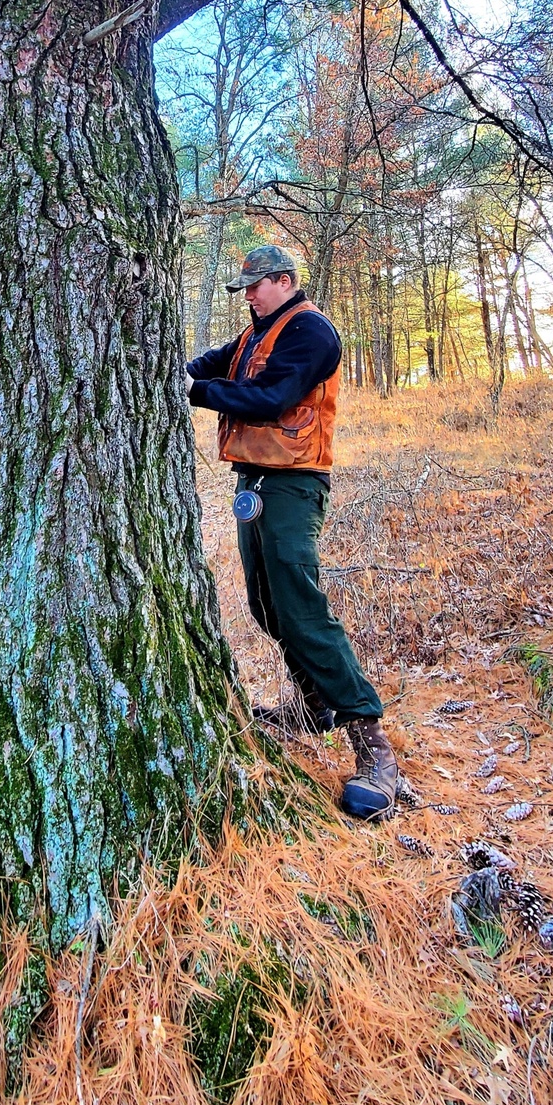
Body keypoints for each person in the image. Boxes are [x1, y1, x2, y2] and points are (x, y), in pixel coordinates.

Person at [184, 244, 399, 819]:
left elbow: (271, 398)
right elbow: (212, 364)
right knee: (265, 604)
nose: (248, 296)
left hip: (293, 484)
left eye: (256, 285)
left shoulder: (309, 332)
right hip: (254, 482)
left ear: (285, 280)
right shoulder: (258, 333)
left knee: (300, 606)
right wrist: (175, 369)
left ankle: (372, 746)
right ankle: (313, 706)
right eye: (245, 288)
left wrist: (194, 392)